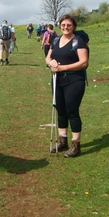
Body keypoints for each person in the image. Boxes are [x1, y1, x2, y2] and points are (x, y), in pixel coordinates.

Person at [46, 14, 88, 157]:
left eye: (69, 25)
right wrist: (50, 62)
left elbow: (84, 62)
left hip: (74, 80)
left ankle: (76, 145)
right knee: (60, 110)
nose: (66, 27)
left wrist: (63, 68)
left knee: (72, 111)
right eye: (63, 25)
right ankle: (62, 141)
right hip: (57, 80)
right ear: (60, 26)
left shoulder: (78, 41)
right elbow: (48, 57)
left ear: (74, 26)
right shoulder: (56, 39)